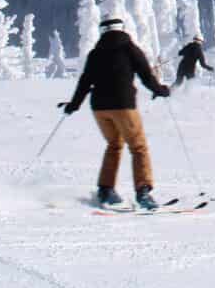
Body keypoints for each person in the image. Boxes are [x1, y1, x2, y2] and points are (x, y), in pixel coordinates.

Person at [61, 18, 172, 210]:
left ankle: (106, 190)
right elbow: (146, 75)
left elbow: (85, 82)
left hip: (99, 108)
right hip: (123, 105)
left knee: (114, 145)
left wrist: (74, 105)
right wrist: (160, 90)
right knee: (138, 147)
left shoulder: (96, 53)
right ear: (122, 29)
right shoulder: (130, 49)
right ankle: (143, 192)